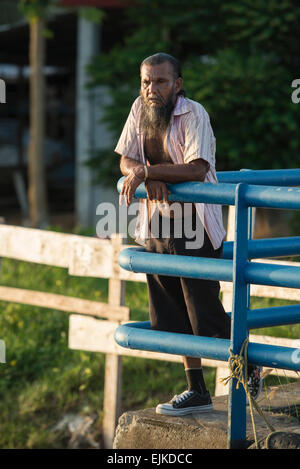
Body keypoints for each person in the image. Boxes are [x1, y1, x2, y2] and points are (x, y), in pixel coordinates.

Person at [115, 52, 262, 416]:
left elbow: (197, 169)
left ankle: (250, 365)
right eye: (147, 81)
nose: (152, 89)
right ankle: (196, 388)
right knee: (173, 311)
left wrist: (150, 174)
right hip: (158, 221)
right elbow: (125, 159)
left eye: (161, 81)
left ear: (177, 84)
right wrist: (142, 173)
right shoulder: (139, 109)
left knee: (204, 310)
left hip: (195, 223)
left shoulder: (194, 113)